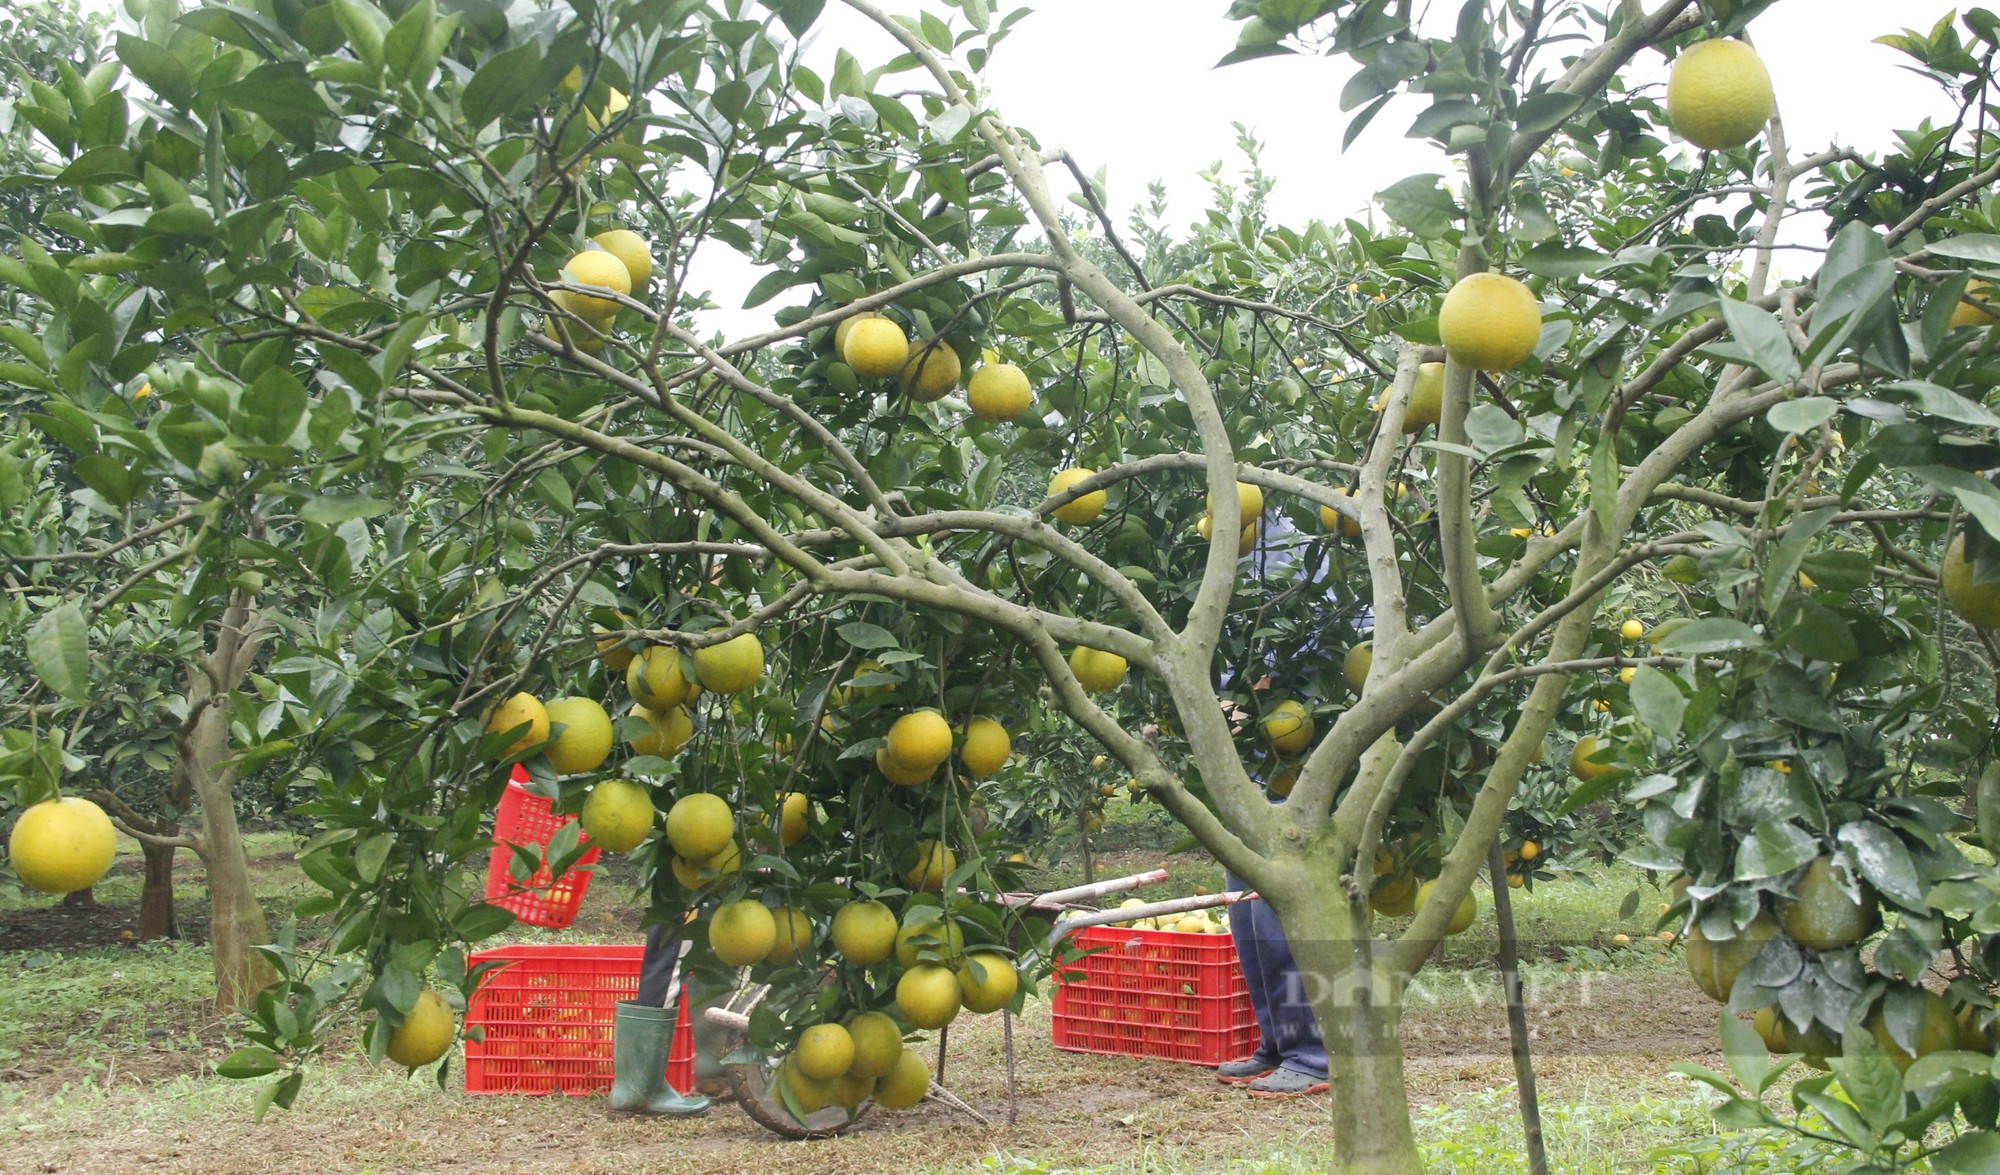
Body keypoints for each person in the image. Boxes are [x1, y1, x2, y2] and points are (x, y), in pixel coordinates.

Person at [1212, 506, 1368, 1098]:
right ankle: (1277, 1040)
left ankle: (1312, 1054)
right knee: (1246, 907)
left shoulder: (1314, 532)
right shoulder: (1228, 530)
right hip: (1251, 757)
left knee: (1283, 905)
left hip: (1305, 755)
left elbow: (1352, 645)